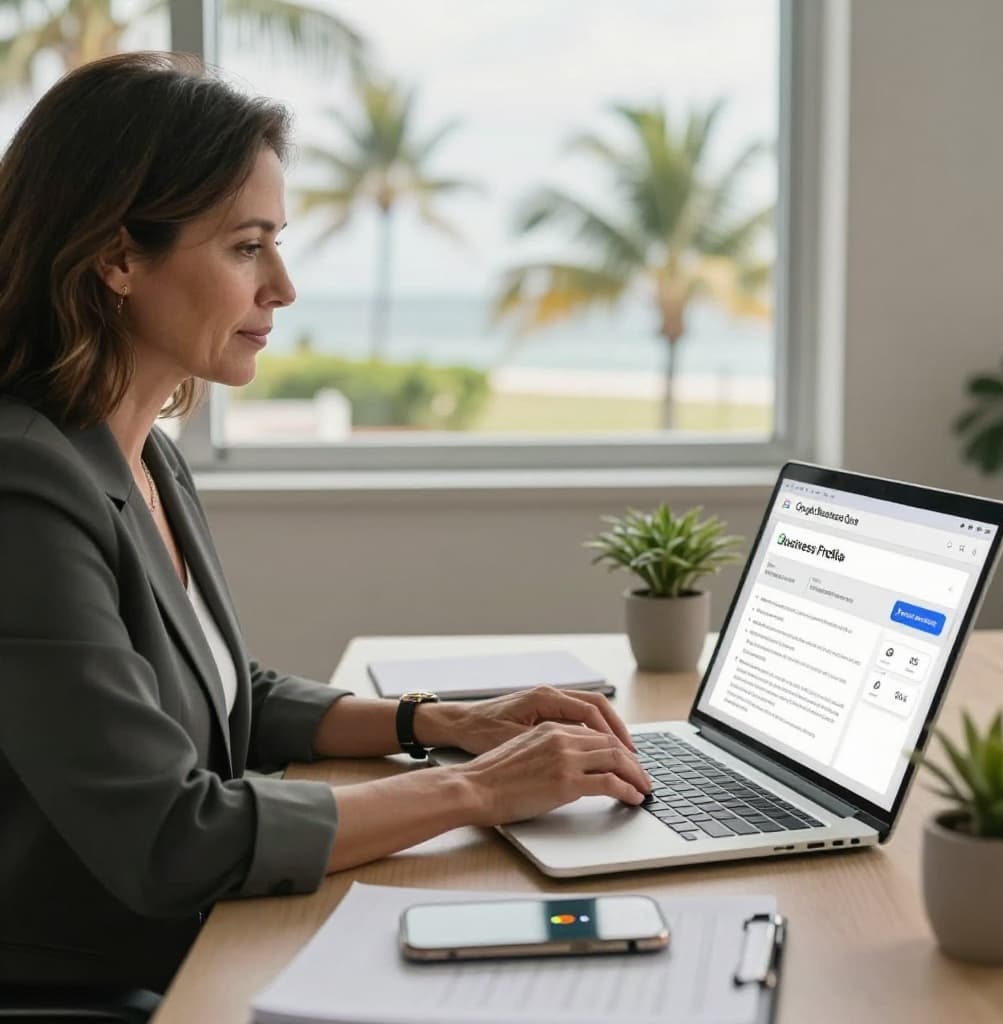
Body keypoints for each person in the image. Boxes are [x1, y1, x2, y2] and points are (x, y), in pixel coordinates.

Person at [0, 52, 652, 994]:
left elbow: (226, 696)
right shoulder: (25, 485)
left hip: (193, 948)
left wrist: (446, 722)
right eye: (245, 246)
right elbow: (166, 837)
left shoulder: (139, 450)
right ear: (116, 257)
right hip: (94, 987)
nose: (284, 287)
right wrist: (479, 790)